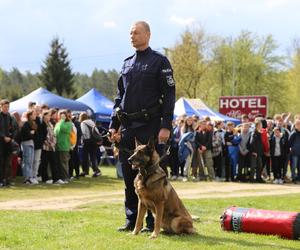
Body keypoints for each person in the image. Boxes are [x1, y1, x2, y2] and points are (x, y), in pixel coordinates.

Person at [108, 21, 175, 232]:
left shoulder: (159, 61)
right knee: (129, 175)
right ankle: (131, 220)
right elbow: (120, 96)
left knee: (153, 175)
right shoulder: (127, 63)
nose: (132, 36)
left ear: (148, 34)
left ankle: (151, 223)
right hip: (128, 127)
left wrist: (166, 125)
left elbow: (170, 95)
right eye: (130, 33)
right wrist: (113, 124)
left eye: (136, 32)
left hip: (150, 125)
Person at [0, 99, 18, 187]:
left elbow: (14, 129)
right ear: (1, 106)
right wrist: (3, 137)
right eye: (4, 107)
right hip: (1, 142)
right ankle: (1, 180)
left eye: (8, 107)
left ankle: (6, 180)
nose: (6, 108)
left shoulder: (10, 117)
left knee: (8, 162)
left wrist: (10, 138)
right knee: (1, 161)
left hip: (8, 143)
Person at [79, 112, 101, 177]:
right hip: (94, 142)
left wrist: (82, 139)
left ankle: (85, 171)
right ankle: (96, 171)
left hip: (87, 141)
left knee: (85, 157)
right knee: (93, 157)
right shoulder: (91, 122)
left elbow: (84, 132)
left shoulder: (83, 123)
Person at [54, 110, 73, 182]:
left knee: (64, 163)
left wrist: (62, 120)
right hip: (57, 145)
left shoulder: (68, 123)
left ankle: (65, 177)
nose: (62, 117)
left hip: (64, 146)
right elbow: (55, 132)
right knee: (59, 163)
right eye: (60, 115)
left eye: (63, 115)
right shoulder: (58, 123)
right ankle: (61, 177)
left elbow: (63, 128)